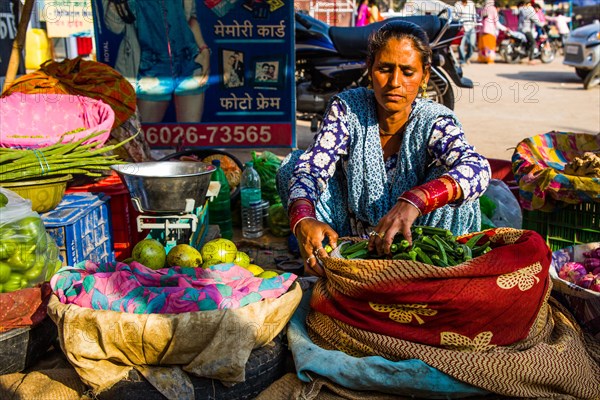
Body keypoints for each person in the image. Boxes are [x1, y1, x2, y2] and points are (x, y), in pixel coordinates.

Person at [277, 20, 491, 277]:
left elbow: (477, 168)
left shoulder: (434, 120)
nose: (394, 82)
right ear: (370, 69)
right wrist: (303, 219)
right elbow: (312, 168)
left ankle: (436, 272)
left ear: (424, 75)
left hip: (415, 237)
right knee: (293, 167)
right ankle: (328, 255)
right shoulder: (347, 109)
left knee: (458, 189)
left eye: (408, 72)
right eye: (385, 69)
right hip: (350, 233)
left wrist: (416, 200)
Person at [103, 0, 210, 123]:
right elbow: (115, 26)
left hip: (189, 61)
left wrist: (203, 49)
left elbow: (190, 17)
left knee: (191, 135)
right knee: (147, 136)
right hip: (151, 68)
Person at [454, 0, 478, 65]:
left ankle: (467, 58)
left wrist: (475, 24)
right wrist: (460, 25)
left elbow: (474, 15)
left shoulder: (471, 3)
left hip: (471, 26)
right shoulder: (457, 4)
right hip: (462, 27)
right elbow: (456, 16)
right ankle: (462, 60)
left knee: (472, 44)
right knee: (460, 45)